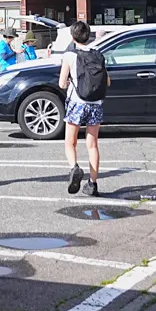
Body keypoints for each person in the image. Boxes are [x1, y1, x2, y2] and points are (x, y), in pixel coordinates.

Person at [58, 20, 107, 196]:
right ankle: (93, 184)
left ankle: (74, 167)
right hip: (96, 103)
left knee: (70, 142)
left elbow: (62, 83)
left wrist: (72, 80)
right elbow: (107, 81)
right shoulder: (98, 55)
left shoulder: (69, 56)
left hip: (77, 103)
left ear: (72, 36)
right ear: (89, 36)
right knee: (92, 145)